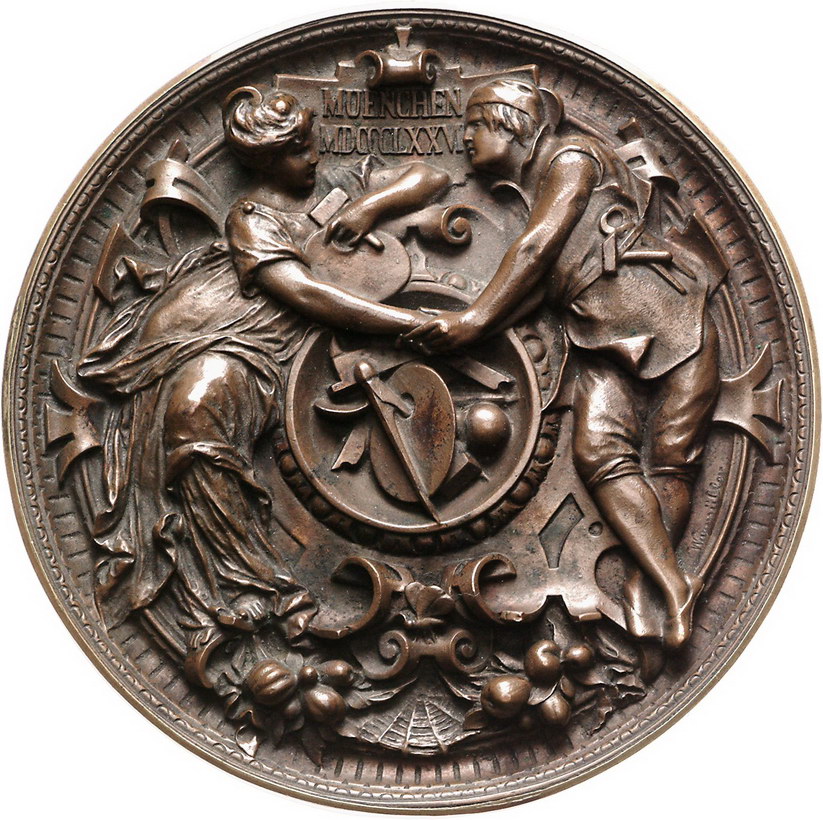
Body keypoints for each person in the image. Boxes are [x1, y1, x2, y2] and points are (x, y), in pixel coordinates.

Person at [79, 86, 448, 657]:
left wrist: (370, 206)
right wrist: (409, 322)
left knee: (198, 418)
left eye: (312, 145)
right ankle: (245, 582)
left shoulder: (339, 190)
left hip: (291, 356)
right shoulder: (251, 219)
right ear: (267, 162)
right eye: (299, 151)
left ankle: (251, 581)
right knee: (194, 420)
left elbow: (433, 176)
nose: (315, 157)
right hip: (234, 342)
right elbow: (305, 294)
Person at [403, 78, 720, 649]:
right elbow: (537, 288)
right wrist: (471, 330)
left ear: (507, 123)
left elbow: (537, 248)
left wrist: (474, 319)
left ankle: (648, 585)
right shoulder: (529, 190)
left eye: (474, 125)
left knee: (671, 460)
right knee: (598, 454)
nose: (466, 140)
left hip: (673, 322)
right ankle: (673, 586)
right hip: (601, 339)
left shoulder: (571, 158)